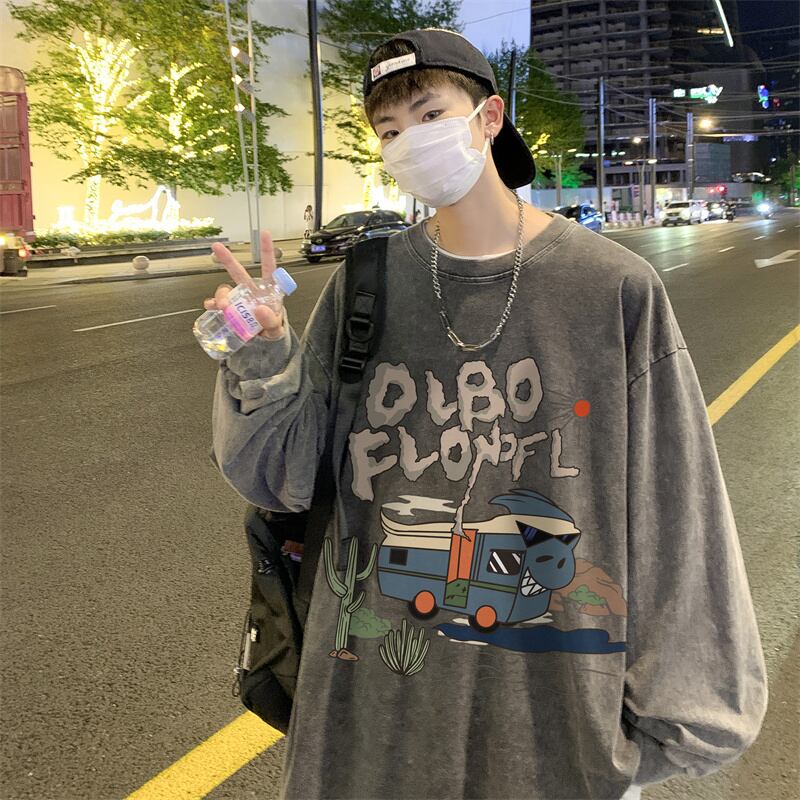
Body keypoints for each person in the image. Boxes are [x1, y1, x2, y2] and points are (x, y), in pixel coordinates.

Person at [204, 28, 767, 800]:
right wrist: (263, 356)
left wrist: (682, 716)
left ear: (490, 117)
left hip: (550, 720)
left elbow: (676, 511)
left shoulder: (612, 289)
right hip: (369, 714)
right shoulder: (366, 284)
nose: (408, 142)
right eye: (388, 130)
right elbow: (284, 479)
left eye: (429, 114)